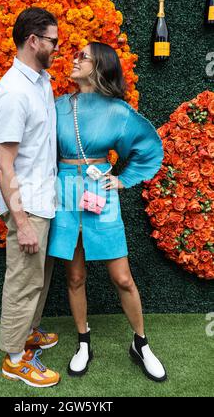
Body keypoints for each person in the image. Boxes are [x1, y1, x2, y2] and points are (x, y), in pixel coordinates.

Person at [48, 42, 167, 383]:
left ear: (100, 66)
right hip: (65, 195)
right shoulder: (56, 106)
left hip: (100, 192)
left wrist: (123, 179)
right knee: (74, 276)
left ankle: (141, 343)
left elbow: (147, 148)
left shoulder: (119, 111)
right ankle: (83, 341)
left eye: (82, 56)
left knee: (122, 278)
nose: (74, 58)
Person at [0, 7, 61, 388]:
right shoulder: (13, 92)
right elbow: (4, 165)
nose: (57, 47)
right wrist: (22, 222)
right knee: (22, 281)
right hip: (27, 206)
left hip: (42, 200)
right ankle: (14, 359)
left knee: (39, 278)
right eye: (53, 40)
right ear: (33, 41)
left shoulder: (40, 81)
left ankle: (27, 334)